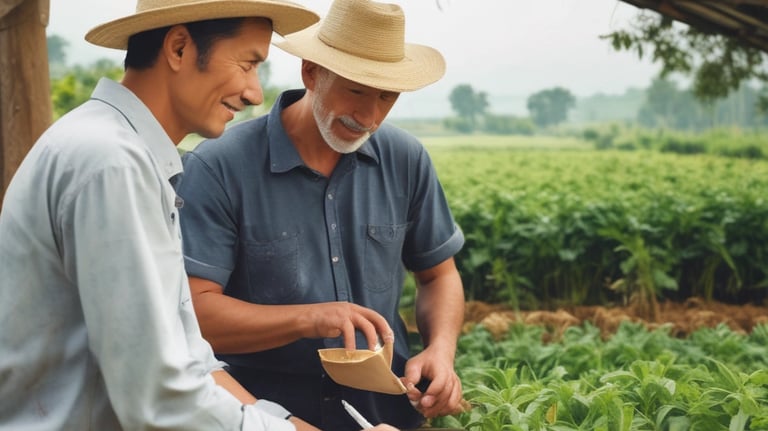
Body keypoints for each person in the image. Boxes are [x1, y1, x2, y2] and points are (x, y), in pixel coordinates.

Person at [0, 1, 396, 430]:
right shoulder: (112, 164)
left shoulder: (129, 156)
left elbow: (190, 361)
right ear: (179, 48)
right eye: (248, 64)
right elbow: (160, 398)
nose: (254, 94)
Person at [177, 0, 467, 429]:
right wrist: (310, 318)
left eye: (386, 97)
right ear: (311, 72)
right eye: (356, 91)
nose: (368, 116)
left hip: (386, 413)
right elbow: (193, 316)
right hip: (264, 415)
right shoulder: (219, 166)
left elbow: (439, 275)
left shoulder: (406, 158)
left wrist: (440, 350)